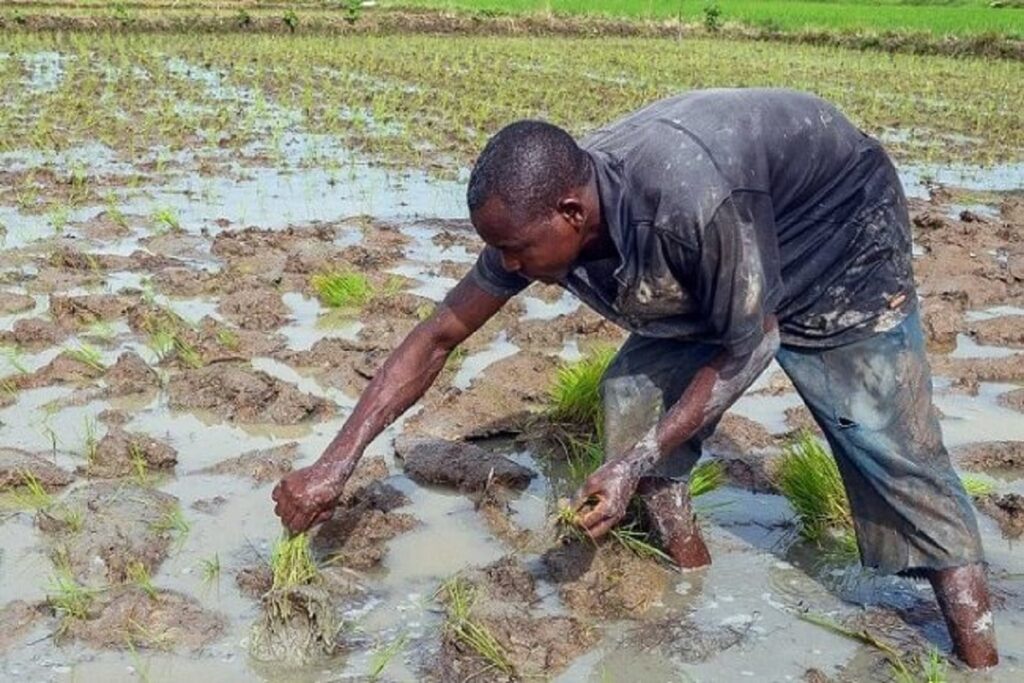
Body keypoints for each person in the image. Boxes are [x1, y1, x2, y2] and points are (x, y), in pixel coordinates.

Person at [272, 88, 999, 668]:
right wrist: (337, 462)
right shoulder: (537, 219)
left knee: (887, 441)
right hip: (714, 261)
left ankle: (978, 654)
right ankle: (691, 582)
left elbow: (752, 345)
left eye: (519, 251)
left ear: (571, 211)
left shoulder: (687, 200)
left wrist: (639, 459)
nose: (511, 267)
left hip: (836, 236)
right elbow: (439, 334)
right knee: (633, 402)